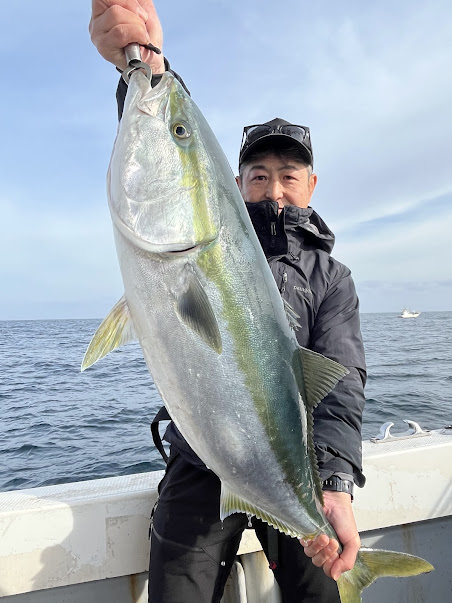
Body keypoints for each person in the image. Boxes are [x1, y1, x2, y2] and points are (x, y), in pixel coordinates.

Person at [90, 2, 367, 601]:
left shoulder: (331, 278)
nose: (273, 187)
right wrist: (148, 69)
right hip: (199, 456)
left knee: (321, 588)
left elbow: (341, 387)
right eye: (258, 174)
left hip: (291, 466)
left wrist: (336, 483)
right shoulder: (217, 237)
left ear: (311, 185)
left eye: (289, 175)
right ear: (236, 185)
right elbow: (168, 153)